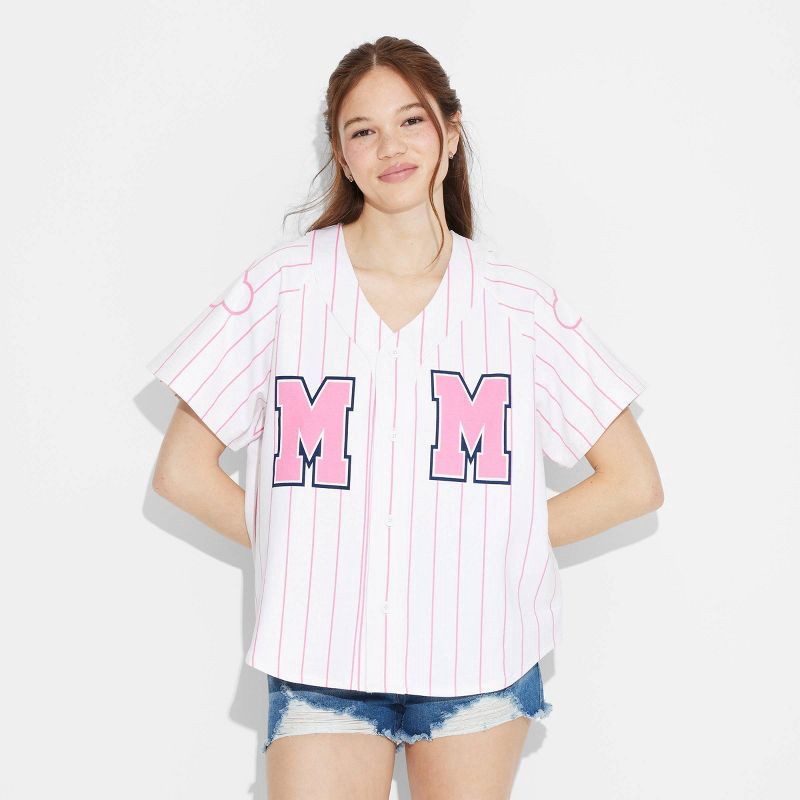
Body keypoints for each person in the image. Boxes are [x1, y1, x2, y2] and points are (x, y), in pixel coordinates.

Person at [147, 35, 663, 800]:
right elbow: (182, 472)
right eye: (363, 130)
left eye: (411, 121)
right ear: (341, 155)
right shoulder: (285, 287)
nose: (390, 146)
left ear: (450, 133)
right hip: (321, 659)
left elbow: (633, 482)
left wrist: (488, 538)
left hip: (478, 654)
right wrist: (315, 542)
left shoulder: (516, 303)